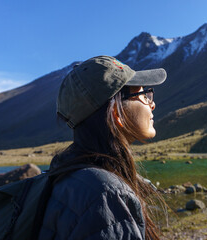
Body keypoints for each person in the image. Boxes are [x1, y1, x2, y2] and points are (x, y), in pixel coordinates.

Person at [38, 56, 167, 240]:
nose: (151, 103)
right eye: (144, 95)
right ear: (117, 114)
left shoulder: (62, 176)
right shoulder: (106, 196)